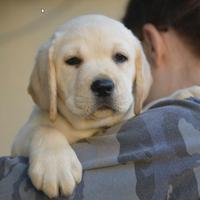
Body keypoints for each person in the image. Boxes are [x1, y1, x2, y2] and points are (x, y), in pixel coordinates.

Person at [0, 1, 200, 200]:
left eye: (120, 57)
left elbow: (139, 121)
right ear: (48, 79)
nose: (103, 82)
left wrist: (174, 101)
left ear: (139, 72)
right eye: (73, 60)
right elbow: (21, 144)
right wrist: (46, 141)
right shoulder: (44, 126)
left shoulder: (145, 117)